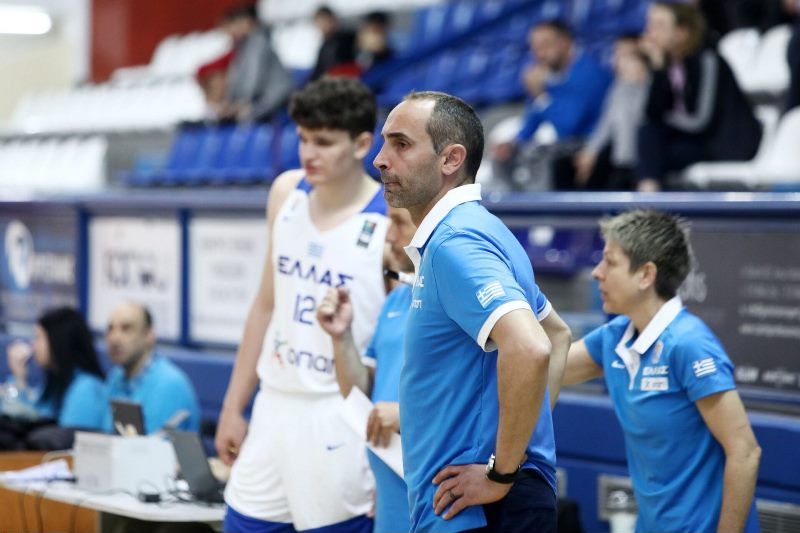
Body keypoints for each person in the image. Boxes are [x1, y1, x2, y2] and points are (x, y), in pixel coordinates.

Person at [374, 91, 563, 532]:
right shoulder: (482, 228)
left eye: (401, 144)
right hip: (495, 504)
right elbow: (557, 335)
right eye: (384, 143)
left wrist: (503, 471)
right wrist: (523, 448)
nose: (380, 159)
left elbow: (533, 347)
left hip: (477, 510)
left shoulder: (455, 243)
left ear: (451, 159)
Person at [317, 207, 572, 532]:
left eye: (398, 223)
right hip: (401, 501)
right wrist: (341, 338)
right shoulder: (395, 301)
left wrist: (514, 451)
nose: (389, 237)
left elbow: (547, 341)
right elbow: (360, 395)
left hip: (456, 500)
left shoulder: (462, 272)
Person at [214, 77, 388, 533]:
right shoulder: (285, 194)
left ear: (362, 144)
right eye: (303, 139)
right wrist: (233, 406)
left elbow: (398, 344)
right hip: (274, 403)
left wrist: (387, 455)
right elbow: (265, 306)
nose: (309, 153)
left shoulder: (389, 219)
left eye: (324, 142)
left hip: (340, 412)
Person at [562, 209, 761, 533]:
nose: (597, 273)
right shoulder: (614, 338)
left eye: (610, 262)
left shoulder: (689, 343)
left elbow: (746, 452)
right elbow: (542, 368)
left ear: (646, 274)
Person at [636, 2, 762, 191]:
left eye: (659, 25)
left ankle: (647, 195)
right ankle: (647, 192)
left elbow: (701, 120)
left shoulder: (708, 59)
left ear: (682, 32)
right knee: (647, 137)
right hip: (693, 140)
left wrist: (662, 124)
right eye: (650, 24)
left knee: (650, 139)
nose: (650, 33)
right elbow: (651, 112)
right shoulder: (667, 65)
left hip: (723, 142)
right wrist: (657, 69)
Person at [491, 20, 611, 191]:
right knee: (503, 155)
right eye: (535, 47)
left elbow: (569, 127)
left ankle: (541, 207)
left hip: (589, 144)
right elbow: (532, 122)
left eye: (545, 45)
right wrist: (513, 143)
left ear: (565, 43)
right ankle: (507, 204)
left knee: (545, 160)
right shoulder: (548, 74)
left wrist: (540, 95)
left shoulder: (589, 74)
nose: (539, 53)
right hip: (565, 143)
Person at [560, 35, 649, 191]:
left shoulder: (652, 85)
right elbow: (606, 123)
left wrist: (635, 85)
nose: (618, 60)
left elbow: (642, 119)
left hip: (642, 162)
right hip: (621, 161)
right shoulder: (618, 86)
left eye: (627, 56)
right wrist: (590, 151)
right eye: (617, 54)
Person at [101, 302, 200, 435]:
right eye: (110, 329)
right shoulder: (115, 377)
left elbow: (152, 446)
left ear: (149, 335)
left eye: (126, 328)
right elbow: (102, 436)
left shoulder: (169, 384)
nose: (114, 338)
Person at [4, 307, 106, 430]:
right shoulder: (55, 382)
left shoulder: (85, 388)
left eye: (38, 337)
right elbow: (28, 418)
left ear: (57, 340)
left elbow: (64, 436)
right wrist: (19, 378)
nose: (33, 344)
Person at [219, 3, 293, 122]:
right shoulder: (243, 45)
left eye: (240, 23)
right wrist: (230, 100)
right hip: (263, 96)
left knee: (245, 116)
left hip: (278, 94)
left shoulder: (259, 42)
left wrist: (242, 101)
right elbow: (237, 76)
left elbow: (255, 77)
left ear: (249, 22)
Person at [309, 6, 357, 81]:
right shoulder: (324, 46)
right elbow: (318, 71)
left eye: (325, 21)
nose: (323, 25)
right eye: (320, 22)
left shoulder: (347, 38)